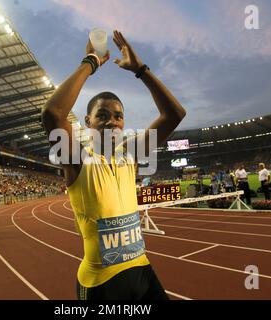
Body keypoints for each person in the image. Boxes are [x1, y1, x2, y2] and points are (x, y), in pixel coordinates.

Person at [42, 30, 186, 300]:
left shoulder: (129, 155)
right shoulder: (78, 160)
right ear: (88, 122)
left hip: (143, 272)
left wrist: (141, 70)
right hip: (101, 285)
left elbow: (174, 114)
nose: (112, 121)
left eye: (119, 116)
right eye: (103, 115)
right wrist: (91, 62)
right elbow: (53, 114)